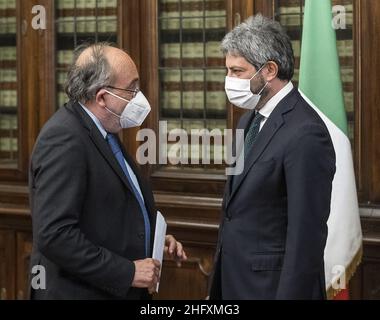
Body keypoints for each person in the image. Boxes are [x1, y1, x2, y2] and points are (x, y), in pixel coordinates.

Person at [29, 43, 187, 300]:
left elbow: (104, 211)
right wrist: (127, 272)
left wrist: (152, 240)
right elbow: (55, 235)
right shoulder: (64, 138)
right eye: (132, 89)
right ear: (102, 97)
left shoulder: (104, 131)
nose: (139, 98)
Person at [209, 15, 336, 300]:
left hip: (272, 290)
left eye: (237, 71)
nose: (229, 81)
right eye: (227, 70)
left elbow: (306, 238)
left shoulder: (305, 132)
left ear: (269, 70)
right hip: (234, 283)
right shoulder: (247, 122)